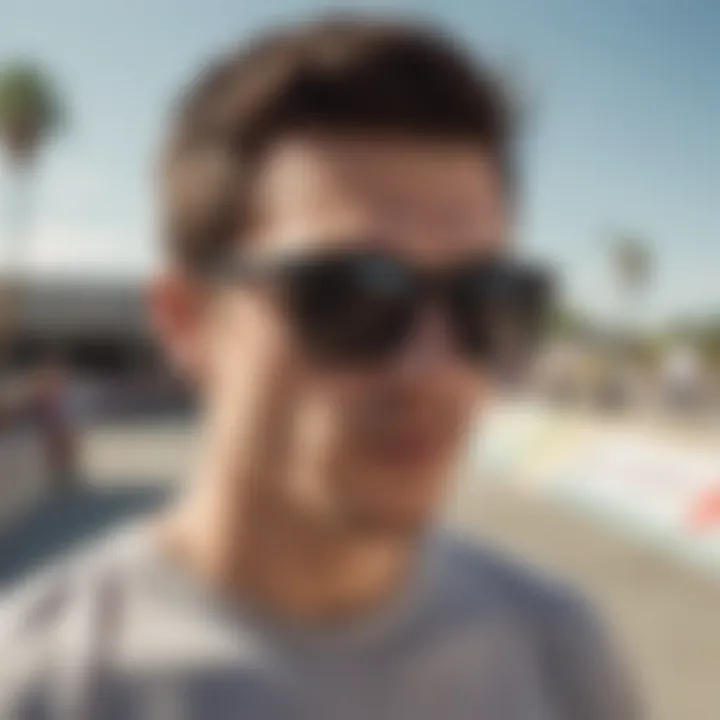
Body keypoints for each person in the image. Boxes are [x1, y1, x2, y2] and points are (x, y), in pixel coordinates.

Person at [0, 16, 639, 719]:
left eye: (487, 300)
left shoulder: (560, 648)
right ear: (186, 319)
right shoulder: (39, 685)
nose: (434, 367)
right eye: (351, 297)